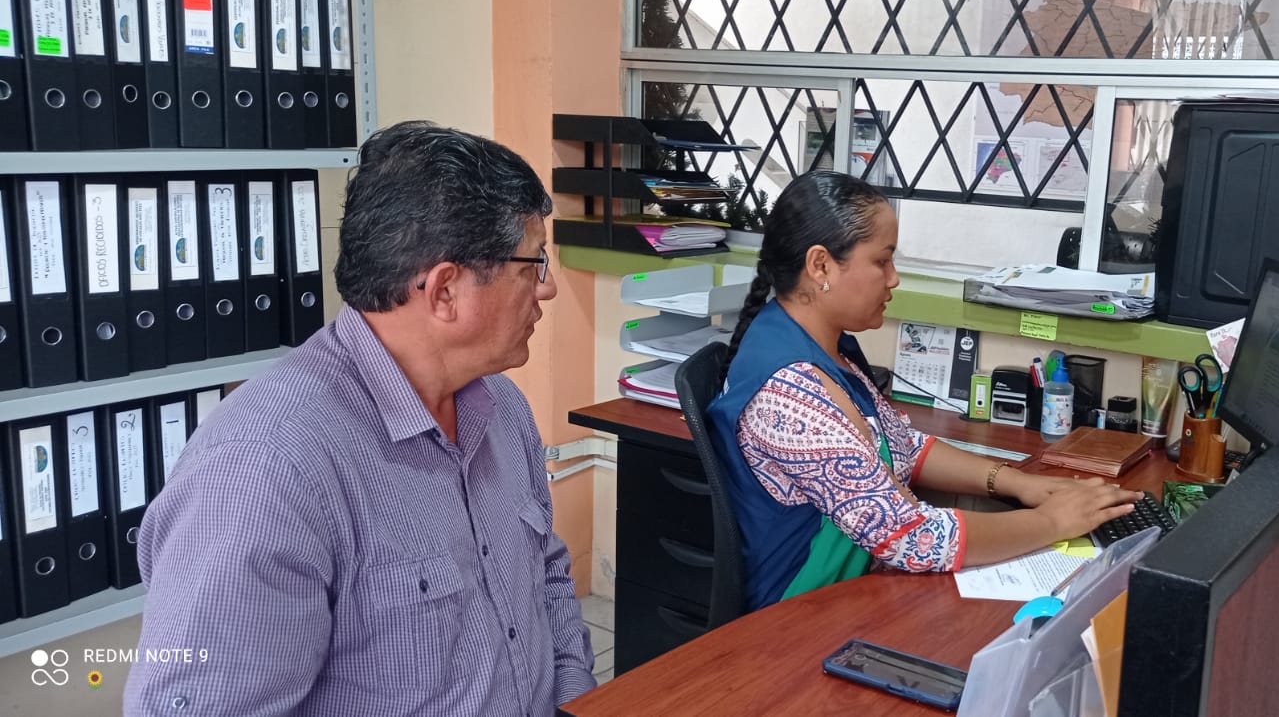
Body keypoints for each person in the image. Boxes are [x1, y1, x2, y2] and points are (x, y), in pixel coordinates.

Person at [126, 122, 595, 716]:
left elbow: (546, 579)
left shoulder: (500, 407)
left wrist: (577, 703)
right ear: (444, 290)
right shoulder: (266, 472)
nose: (546, 290)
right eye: (533, 264)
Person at [707, 171, 1142, 611]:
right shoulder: (791, 391)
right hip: (799, 614)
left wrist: (1018, 483)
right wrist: (1052, 522)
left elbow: (900, 445)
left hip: (854, 587)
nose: (894, 279)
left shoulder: (822, 346)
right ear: (821, 266)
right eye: (882, 262)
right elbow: (911, 539)